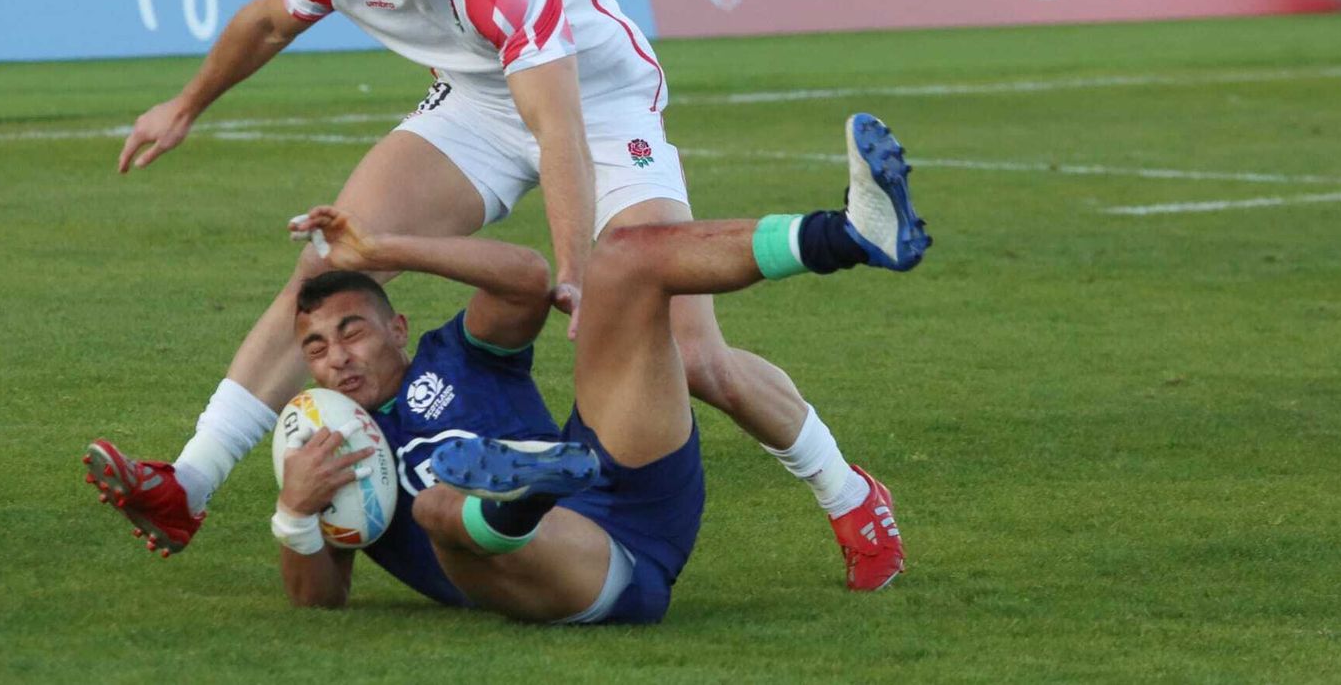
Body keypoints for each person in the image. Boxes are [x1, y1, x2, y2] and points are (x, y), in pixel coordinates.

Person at [86, 0, 924, 593]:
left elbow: (556, 126)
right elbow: (266, 23)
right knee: (330, 260)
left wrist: (575, 273)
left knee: (695, 356)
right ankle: (187, 483)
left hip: (595, 105)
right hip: (478, 102)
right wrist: (186, 104)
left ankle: (850, 492)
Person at [264, 117, 925, 621]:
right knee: (439, 506)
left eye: (351, 330)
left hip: (625, 488)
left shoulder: (455, 353)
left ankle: (849, 233)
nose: (338, 355)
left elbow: (526, 277)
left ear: (395, 328)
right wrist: (296, 510)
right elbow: (319, 599)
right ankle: (523, 496)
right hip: (583, 570)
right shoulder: (329, 442)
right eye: (317, 347)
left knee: (625, 258)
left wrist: (381, 245)